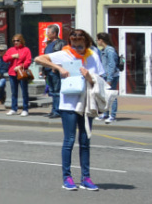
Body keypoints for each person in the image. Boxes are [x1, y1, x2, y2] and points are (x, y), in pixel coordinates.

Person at [34, 28, 103, 191]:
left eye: (80, 45)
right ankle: (67, 177)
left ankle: (86, 177)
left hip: (86, 103)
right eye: (74, 44)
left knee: (85, 141)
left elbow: (100, 79)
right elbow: (38, 59)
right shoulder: (64, 54)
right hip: (68, 103)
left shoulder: (93, 56)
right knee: (69, 140)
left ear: (86, 43)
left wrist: (89, 77)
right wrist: (58, 68)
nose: (77, 48)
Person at [4, 35, 32, 116]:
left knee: (24, 92)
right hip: (12, 73)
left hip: (22, 73)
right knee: (14, 92)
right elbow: (5, 59)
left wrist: (21, 66)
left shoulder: (26, 50)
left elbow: (28, 61)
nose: (16, 42)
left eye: (17, 40)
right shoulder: (11, 50)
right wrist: (13, 56)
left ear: (21, 41)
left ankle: (25, 109)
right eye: (14, 41)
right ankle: (13, 109)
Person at [95, 33, 120, 124]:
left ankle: (112, 116)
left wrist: (109, 79)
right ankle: (105, 113)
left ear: (102, 40)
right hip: (105, 76)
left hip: (111, 76)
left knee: (112, 95)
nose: (97, 41)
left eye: (97, 40)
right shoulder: (104, 50)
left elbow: (111, 65)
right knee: (105, 95)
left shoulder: (110, 50)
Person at [42, 25, 65, 118]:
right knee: (51, 91)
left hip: (54, 70)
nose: (47, 34)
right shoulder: (48, 43)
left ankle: (57, 111)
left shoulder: (61, 43)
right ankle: (53, 110)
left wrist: (55, 67)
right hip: (48, 71)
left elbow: (62, 57)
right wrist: (43, 71)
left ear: (54, 33)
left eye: (49, 33)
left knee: (57, 91)